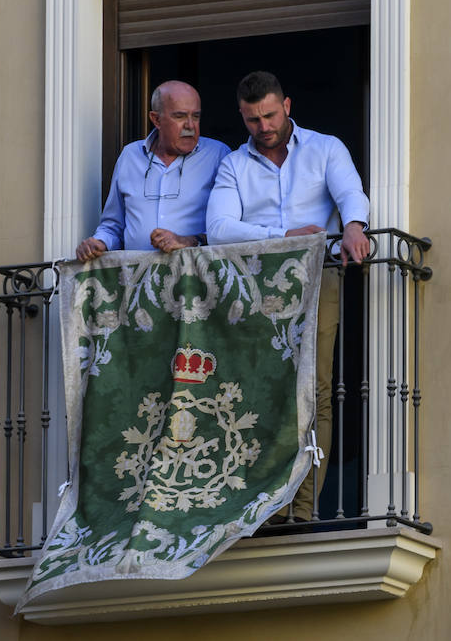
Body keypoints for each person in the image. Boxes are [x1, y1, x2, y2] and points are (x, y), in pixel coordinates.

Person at [206, 71, 370, 520]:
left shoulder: (325, 148)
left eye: (270, 114)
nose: (263, 126)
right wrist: (284, 235)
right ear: (242, 117)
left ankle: (300, 507)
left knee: (315, 391)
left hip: (318, 276)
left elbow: (351, 195)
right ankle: (267, 507)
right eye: (252, 119)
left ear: (288, 105)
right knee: (261, 393)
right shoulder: (233, 165)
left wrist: (354, 226)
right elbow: (218, 229)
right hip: (254, 285)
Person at [75, 80, 228, 262]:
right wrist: (100, 242)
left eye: (195, 116)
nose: (190, 125)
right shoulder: (130, 156)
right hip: (138, 282)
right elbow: (113, 226)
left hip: (197, 279)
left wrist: (189, 241)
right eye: (180, 116)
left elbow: (227, 228)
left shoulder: (218, 155)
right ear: (156, 119)